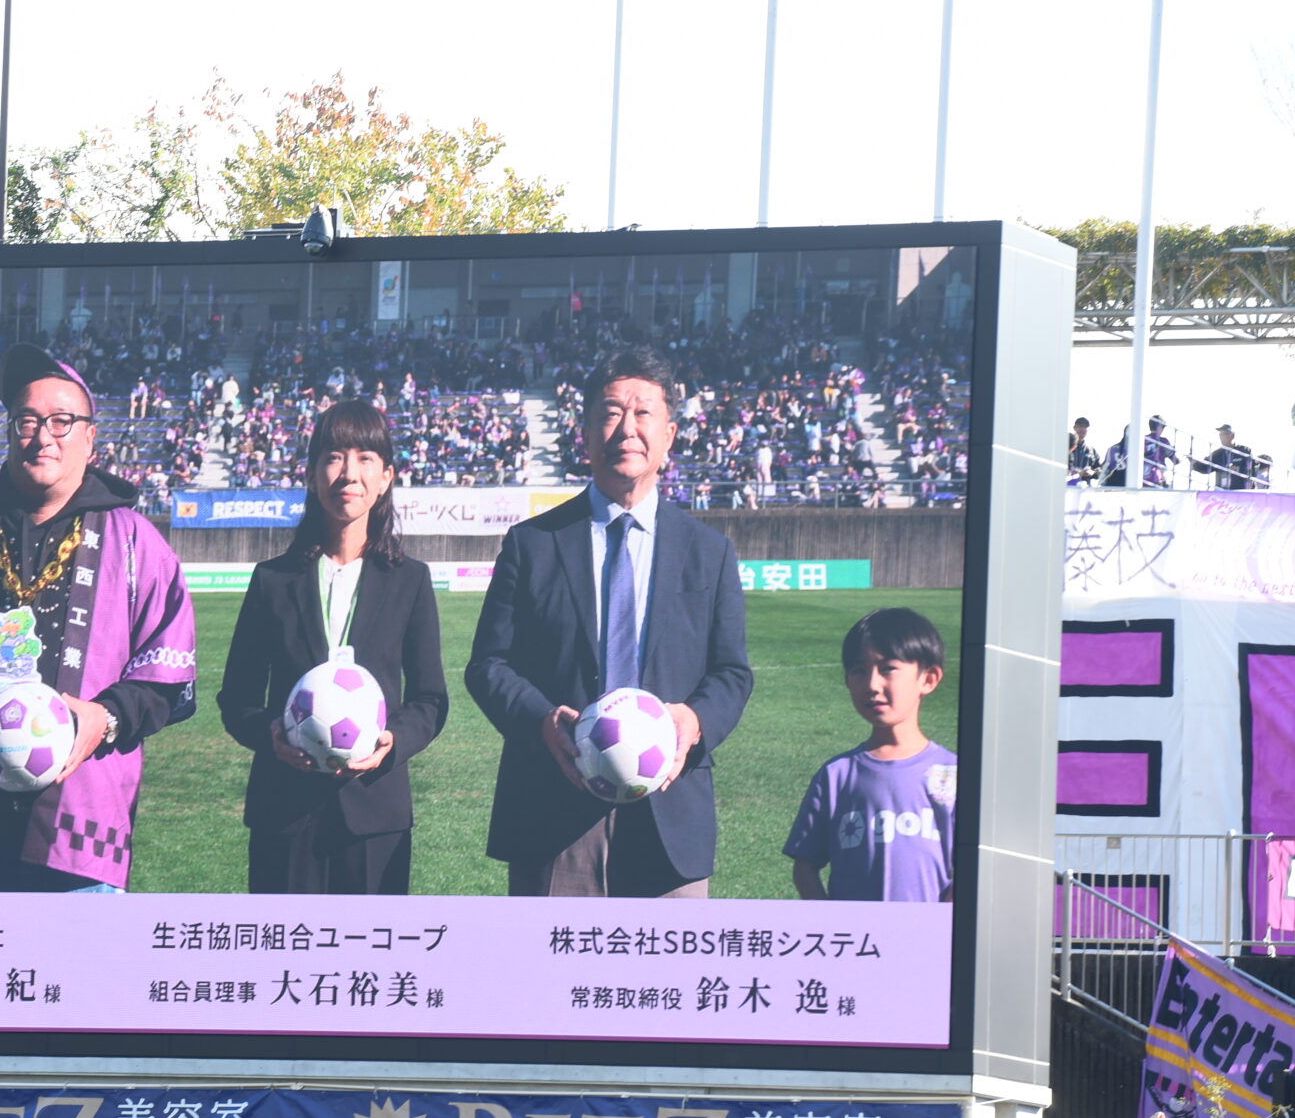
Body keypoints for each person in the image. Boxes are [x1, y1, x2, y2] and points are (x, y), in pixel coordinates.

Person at [0, 343, 196, 893]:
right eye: (27, 421)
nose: (43, 436)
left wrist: (106, 718)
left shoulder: (139, 545)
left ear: (90, 437)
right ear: (9, 434)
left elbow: (167, 672)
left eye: (61, 421)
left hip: (83, 831)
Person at [466, 348, 753, 897]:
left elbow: (732, 672)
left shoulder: (709, 552)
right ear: (586, 432)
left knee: (667, 959)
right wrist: (542, 721)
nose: (627, 428)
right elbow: (488, 665)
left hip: (670, 812)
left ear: (669, 435)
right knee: (549, 956)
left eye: (643, 413)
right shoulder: (533, 544)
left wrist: (694, 720)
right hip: (554, 809)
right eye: (612, 412)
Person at [219, 400, 448, 894]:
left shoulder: (410, 581)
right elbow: (236, 699)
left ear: (386, 477)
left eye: (365, 458)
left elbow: (430, 700)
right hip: (284, 812)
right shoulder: (272, 581)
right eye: (334, 457)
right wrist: (273, 735)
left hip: (375, 813)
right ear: (311, 473)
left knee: (370, 945)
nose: (349, 473)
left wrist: (391, 742)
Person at [784, 608, 956, 902]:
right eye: (859, 671)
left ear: (928, 679)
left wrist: (943, 920)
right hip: (854, 933)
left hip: (930, 931)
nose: (872, 685)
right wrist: (827, 919)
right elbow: (805, 865)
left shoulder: (953, 773)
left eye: (887, 668)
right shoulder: (837, 775)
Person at [1191, 425, 1258, 491]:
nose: (1222, 437)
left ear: (1232, 435)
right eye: (1220, 435)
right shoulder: (1217, 454)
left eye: (1225, 434)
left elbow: (1253, 470)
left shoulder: (1244, 451)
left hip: (1240, 492)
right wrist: (1193, 462)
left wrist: (1239, 469)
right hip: (1222, 493)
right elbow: (1204, 467)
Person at [1066, 417, 1101, 486]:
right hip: (1067, 487)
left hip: (1085, 488)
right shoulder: (1066, 447)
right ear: (1074, 428)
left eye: (1085, 427)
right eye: (1080, 426)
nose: (1082, 429)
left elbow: (1099, 470)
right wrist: (1075, 472)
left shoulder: (1092, 451)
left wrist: (1092, 472)